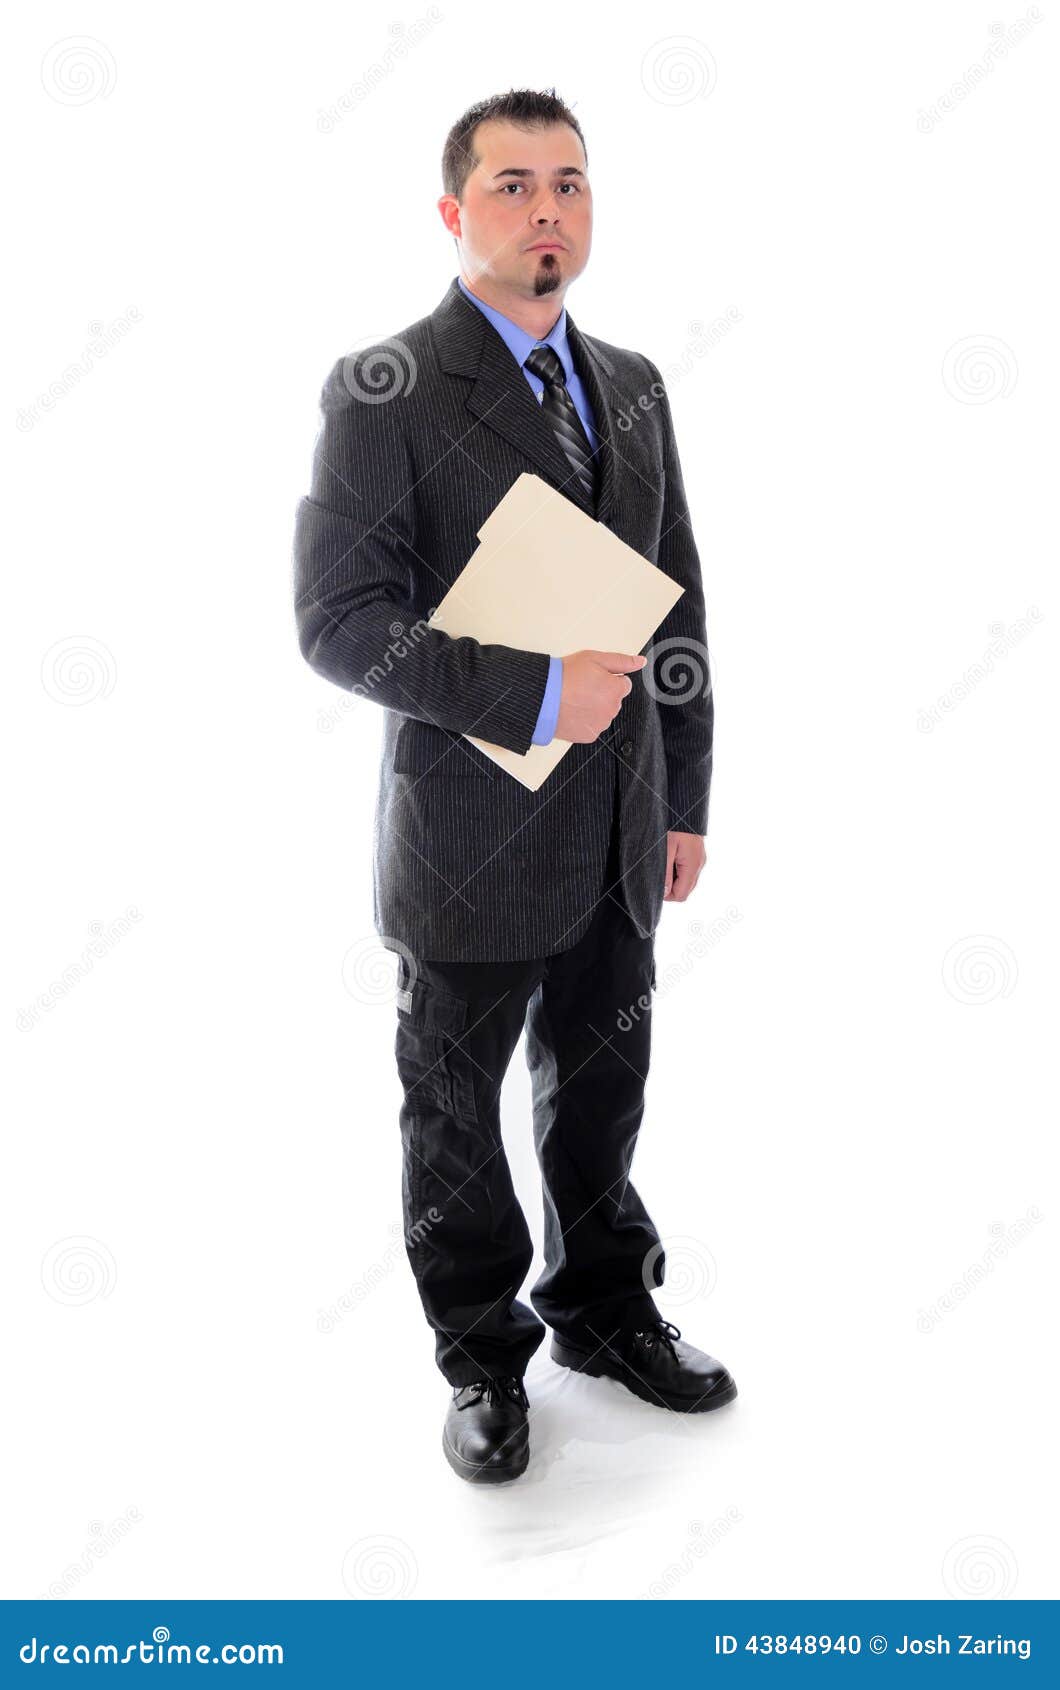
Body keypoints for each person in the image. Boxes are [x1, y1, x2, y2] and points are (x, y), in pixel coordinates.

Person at [293, 88, 736, 1484]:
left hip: (616, 822)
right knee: (456, 1108)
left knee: (603, 1087)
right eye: (513, 186)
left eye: (571, 184)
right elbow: (339, 619)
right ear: (454, 212)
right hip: (471, 831)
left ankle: (604, 1306)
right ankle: (482, 1358)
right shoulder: (387, 388)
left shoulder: (639, 382)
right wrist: (536, 689)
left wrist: (684, 798)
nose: (547, 210)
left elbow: (679, 610)